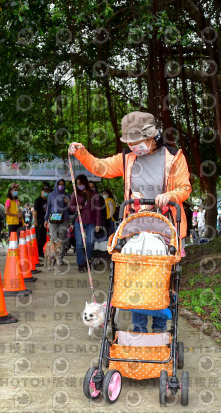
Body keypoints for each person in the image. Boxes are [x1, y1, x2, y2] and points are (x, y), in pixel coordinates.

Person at [69, 110, 192, 334]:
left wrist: (170, 196)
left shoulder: (174, 157)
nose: (134, 146)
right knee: (135, 278)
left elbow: (184, 187)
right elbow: (101, 167)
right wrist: (81, 153)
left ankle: (160, 328)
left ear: (152, 136)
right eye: (130, 142)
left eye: (138, 141)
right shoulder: (127, 158)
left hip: (166, 227)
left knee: (162, 279)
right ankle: (138, 328)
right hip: (135, 226)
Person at [69, 174, 102, 272]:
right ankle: (80, 264)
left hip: (91, 222)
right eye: (77, 183)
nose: (79, 185)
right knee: (79, 243)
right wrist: (76, 207)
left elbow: (98, 210)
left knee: (90, 242)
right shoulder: (75, 193)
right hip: (78, 221)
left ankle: (87, 261)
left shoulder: (93, 194)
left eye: (80, 183)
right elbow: (71, 206)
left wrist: (97, 224)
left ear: (85, 182)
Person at [45, 179, 71, 263]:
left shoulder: (67, 195)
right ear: (56, 185)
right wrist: (46, 219)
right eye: (59, 184)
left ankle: (60, 258)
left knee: (62, 239)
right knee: (53, 238)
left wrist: (68, 203)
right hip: (54, 218)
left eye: (63, 184)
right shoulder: (51, 195)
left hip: (65, 219)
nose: (61, 186)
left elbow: (72, 208)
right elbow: (48, 207)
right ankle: (53, 255)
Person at [33, 184, 51, 257]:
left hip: (46, 220)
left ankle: (42, 252)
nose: (46, 193)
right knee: (39, 237)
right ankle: (38, 252)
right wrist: (35, 221)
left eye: (47, 191)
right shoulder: (38, 200)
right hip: (39, 220)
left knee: (44, 237)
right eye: (45, 191)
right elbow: (35, 211)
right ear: (41, 192)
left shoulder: (47, 200)